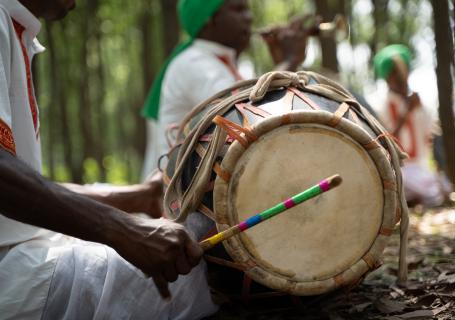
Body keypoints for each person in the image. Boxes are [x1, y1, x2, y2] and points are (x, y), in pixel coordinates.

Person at [0, 0, 218, 319]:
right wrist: (122, 229)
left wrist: (139, 198)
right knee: (205, 264)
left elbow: (22, 191)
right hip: (11, 272)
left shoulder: (14, 26)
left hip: (21, 250)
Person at [141, 0, 309, 178]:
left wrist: (282, 65)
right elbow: (247, 115)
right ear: (209, 20)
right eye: (238, 10)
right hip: (180, 196)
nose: (249, 17)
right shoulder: (193, 62)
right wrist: (289, 61)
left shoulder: (219, 63)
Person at [373, 44, 446, 207]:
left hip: (422, 169)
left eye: (402, 74)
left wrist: (418, 109)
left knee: (444, 185)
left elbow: (430, 135)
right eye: (394, 75)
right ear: (387, 78)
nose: (400, 79)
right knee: (407, 184)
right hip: (401, 170)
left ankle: (414, 199)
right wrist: (406, 112)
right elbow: (386, 140)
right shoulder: (382, 105)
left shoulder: (419, 104)